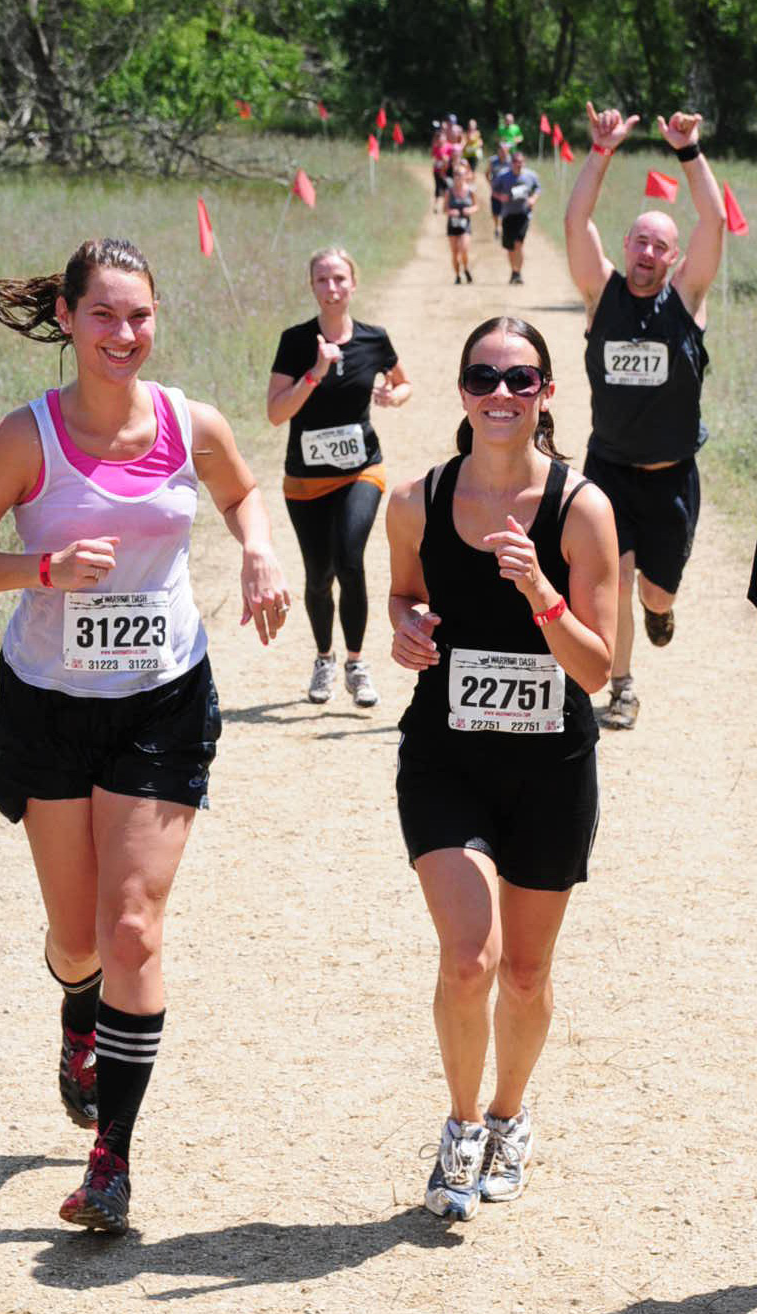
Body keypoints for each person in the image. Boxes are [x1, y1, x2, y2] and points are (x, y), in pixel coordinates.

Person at [0, 237, 290, 1233]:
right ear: (66, 318)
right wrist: (38, 573)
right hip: (48, 700)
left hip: (162, 700)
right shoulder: (26, 438)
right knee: (79, 937)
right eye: (104, 315)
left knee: (133, 929)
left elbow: (242, 494)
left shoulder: (190, 422)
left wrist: (257, 555)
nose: (124, 334)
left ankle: (111, 1164)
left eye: (140, 316)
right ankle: (77, 1014)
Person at [386, 316, 617, 1221]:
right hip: (445, 755)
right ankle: (460, 1126)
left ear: (546, 395)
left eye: (520, 380)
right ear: (462, 392)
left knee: (524, 971)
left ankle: (510, 1116)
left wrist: (539, 591)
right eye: (483, 378)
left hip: (551, 767)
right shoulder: (417, 501)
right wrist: (405, 627)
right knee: (469, 956)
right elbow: (405, 593)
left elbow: (598, 668)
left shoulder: (581, 507)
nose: (501, 395)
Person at [565, 103, 725, 728]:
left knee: (655, 591)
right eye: (641, 240)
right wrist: (601, 150)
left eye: (662, 245)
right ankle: (622, 687)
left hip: (672, 476)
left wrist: (689, 151)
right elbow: (576, 220)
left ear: (673, 257)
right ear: (625, 244)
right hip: (608, 469)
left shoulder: (685, 298)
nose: (649, 252)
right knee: (617, 581)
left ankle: (663, 609)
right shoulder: (598, 292)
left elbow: (714, 218)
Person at [268, 247, 411, 707]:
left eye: (339, 279)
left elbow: (404, 382)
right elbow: (275, 413)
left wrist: (395, 395)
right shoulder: (295, 341)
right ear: (312, 286)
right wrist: (315, 372)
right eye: (322, 280)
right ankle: (324, 659)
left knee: (350, 558)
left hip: (360, 469)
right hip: (306, 480)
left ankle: (355, 663)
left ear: (353, 284)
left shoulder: (374, 338)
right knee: (318, 574)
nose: (332, 288)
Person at [493, 151, 541, 284]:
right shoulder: (503, 176)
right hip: (508, 214)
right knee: (510, 247)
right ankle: (513, 271)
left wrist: (533, 199)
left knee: (518, 243)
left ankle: (518, 272)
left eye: (521, 162)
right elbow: (494, 190)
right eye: (516, 162)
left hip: (523, 214)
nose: (518, 165)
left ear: (524, 163)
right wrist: (500, 197)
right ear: (511, 163)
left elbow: (538, 189)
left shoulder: (531, 176)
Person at [444, 165, 478, 284]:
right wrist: (451, 211)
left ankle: (466, 268)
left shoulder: (470, 191)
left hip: (465, 224)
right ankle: (457, 275)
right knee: (454, 252)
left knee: (464, 249)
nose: (459, 177)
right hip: (452, 224)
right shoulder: (449, 191)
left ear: (465, 176)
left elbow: (476, 206)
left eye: (461, 174)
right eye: (456, 174)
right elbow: (445, 208)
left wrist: (469, 210)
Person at [486, 141, 512, 241]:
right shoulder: (493, 161)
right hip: (496, 190)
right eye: (501, 150)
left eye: (505, 151)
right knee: (495, 211)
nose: (503, 152)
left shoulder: (511, 161)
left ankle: (503, 228)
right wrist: (491, 184)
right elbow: (487, 173)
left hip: (507, 190)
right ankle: (497, 226)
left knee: (506, 210)